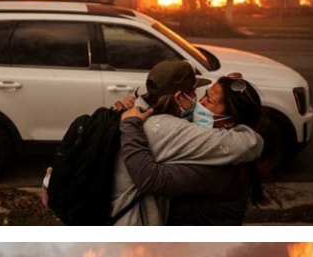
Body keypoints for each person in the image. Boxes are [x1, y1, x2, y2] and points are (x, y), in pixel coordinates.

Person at [110, 66, 263, 225]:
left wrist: (130, 123)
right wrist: (137, 106)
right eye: (205, 94)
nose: (200, 102)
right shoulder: (210, 144)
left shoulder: (222, 166)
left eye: (210, 101)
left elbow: (152, 178)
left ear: (229, 121)